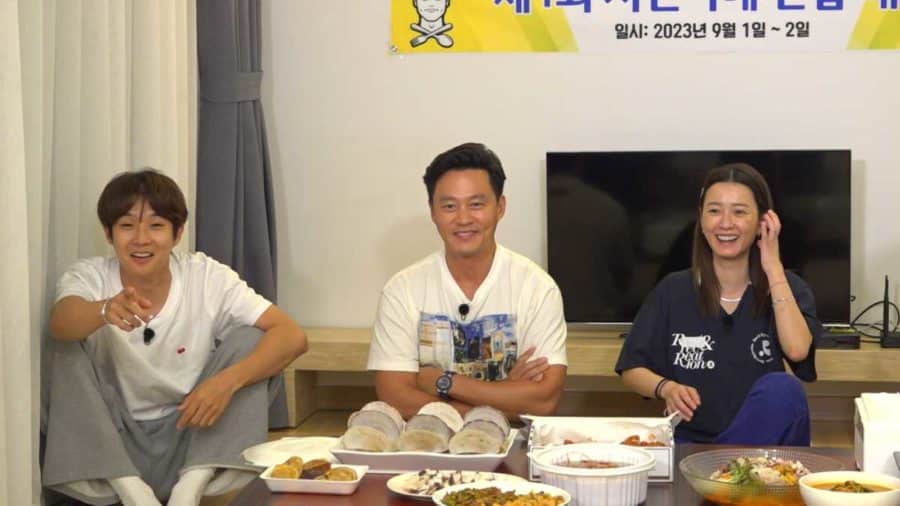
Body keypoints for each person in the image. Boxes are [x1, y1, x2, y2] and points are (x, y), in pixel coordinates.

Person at [42, 169, 308, 506]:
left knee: (253, 339)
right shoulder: (90, 275)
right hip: (112, 447)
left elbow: (292, 336)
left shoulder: (205, 275)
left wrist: (226, 383)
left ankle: (189, 490)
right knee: (63, 345)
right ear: (108, 233)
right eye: (127, 226)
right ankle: (132, 491)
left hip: (192, 435)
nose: (141, 239)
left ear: (177, 232)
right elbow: (61, 321)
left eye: (156, 225)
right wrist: (104, 310)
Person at [615, 162, 822, 445]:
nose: (725, 223)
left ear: (762, 222)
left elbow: (797, 350)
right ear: (701, 220)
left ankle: (726, 465)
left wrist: (773, 268)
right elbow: (632, 369)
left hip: (760, 455)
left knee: (783, 389)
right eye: (714, 211)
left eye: (739, 212)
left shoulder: (786, 287)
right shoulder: (672, 290)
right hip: (691, 448)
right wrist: (666, 388)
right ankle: (722, 465)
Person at [367, 142, 568, 420]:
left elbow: (543, 402)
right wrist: (506, 394)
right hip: (426, 440)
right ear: (432, 211)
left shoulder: (537, 288)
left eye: (476, 204)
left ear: (500, 207)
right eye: (449, 206)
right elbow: (396, 399)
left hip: (513, 441)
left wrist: (444, 382)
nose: (463, 219)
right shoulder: (402, 289)